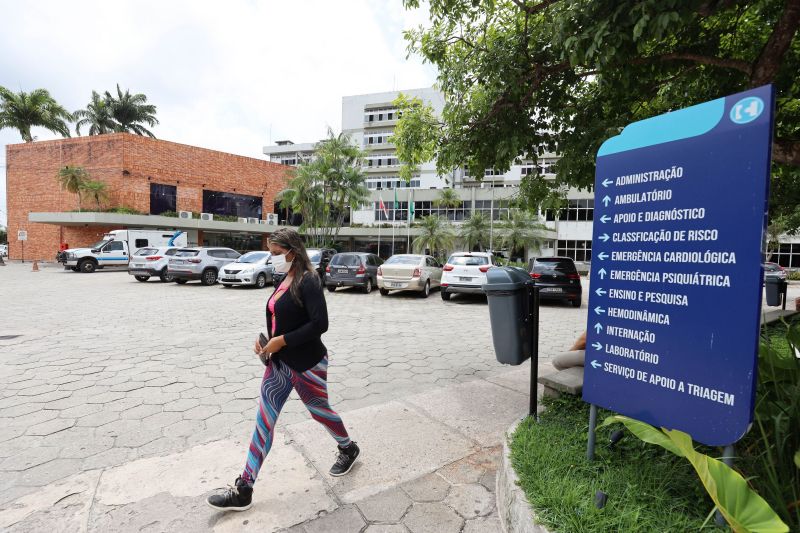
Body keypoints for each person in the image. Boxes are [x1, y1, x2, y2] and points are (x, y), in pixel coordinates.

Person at [207, 228, 359, 512]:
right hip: (278, 365)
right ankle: (244, 488)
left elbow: (320, 324)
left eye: (276, 253)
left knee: (320, 411)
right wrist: (267, 342)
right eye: (271, 252)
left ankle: (348, 447)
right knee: (264, 422)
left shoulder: (309, 279)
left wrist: (282, 341)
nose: (272, 258)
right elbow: (280, 317)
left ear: (293, 251)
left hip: (308, 364)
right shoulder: (282, 278)